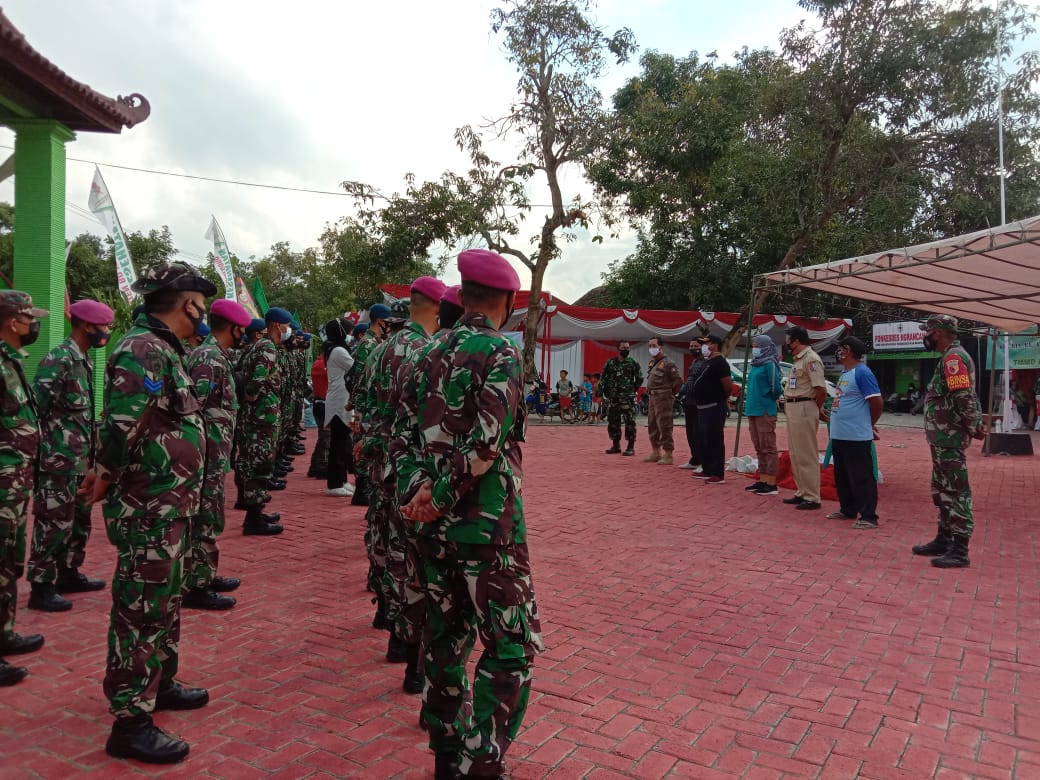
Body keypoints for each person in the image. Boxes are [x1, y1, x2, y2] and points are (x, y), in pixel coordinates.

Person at [402, 249, 543, 780]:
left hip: (430, 526)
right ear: (506, 301)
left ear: (461, 296)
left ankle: (445, 750)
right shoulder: (500, 353)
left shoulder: (427, 352)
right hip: (486, 527)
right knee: (511, 647)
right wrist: (439, 495)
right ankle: (480, 762)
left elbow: (402, 437)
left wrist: (420, 495)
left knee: (445, 634)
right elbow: (487, 445)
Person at [79, 262, 215, 763]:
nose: (203, 310)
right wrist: (106, 472)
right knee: (141, 608)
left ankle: (160, 683)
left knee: (164, 600)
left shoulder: (163, 350)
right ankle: (130, 721)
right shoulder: (142, 349)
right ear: (189, 303)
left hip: (169, 503)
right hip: (149, 506)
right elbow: (121, 425)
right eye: (201, 300)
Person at [372, 275, 445, 695]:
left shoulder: (381, 351)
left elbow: (367, 403)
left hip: (386, 463)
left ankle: (392, 626)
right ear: (436, 308)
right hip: (415, 471)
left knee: (386, 542)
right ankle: (414, 659)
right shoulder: (428, 352)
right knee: (416, 563)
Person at [26, 299, 113, 613]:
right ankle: (41, 586)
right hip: (57, 458)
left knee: (79, 519)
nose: (106, 332)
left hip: (80, 456)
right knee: (52, 521)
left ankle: (69, 572)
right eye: (103, 326)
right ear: (87, 326)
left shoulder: (84, 360)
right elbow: (38, 407)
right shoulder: (59, 358)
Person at [181, 298, 253, 611]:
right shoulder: (208, 358)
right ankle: (196, 585)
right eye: (243, 329)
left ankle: (204, 572)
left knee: (209, 514)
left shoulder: (216, 355)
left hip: (215, 449)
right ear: (235, 329)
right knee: (204, 515)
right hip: (206, 451)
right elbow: (192, 406)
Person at [0, 290, 48, 687]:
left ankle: (4, 632)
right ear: (13, 321)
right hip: (2, 484)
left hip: (14, 485)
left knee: (8, 561)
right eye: (31, 318)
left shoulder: (12, 361)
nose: (36, 325)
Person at [911, 314, 986, 568]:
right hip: (943, 438)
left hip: (950, 437)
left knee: (957, 491)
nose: (926, 336)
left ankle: (960, 549)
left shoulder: (953, 358)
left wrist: (973, 425)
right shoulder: (949, 357)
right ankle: (944, 539)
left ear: (938, 333)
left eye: (928, 331)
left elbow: (963, 395)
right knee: (942, 489)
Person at [234, 308, 291, 536]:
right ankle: (254, 519)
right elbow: (257, 379)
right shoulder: (266, 346)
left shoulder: (259, 346)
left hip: (257, 416)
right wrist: (251, 397)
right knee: (260, 464)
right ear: (277, 325)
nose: (288, 329)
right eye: (287, 325)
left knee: (253, 461)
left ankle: (255, 512)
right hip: (262, 417)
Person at [825, 337, 883, 529]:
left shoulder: (862, 372)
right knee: (842, 475)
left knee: (862, 476)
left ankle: (868, 516)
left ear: (848, 351)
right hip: (840, 435)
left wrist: (868, 424)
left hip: (856, 435)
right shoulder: (845, 373)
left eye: (841, 348)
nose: (838, 352)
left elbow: (876, 402)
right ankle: (848, 509)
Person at [782, 326, 827, 511]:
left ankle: (812, 497)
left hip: (805, 406)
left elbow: (821, 390)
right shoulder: (798, 360)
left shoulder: (811, 359)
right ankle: (802, 491)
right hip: (794, 406)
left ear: (797, 341)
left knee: (806, 453)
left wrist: (815, 408)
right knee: (795, 452)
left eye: (788, 343)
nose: (787, 346)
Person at [690, 335, 734, 485]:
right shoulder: (707, 362)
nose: (702, 346)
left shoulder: (720, 363)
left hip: (714, 407)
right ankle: (707, 468)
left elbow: (728, 386)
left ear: (714, 345)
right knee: (704, 440)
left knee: (715, 440)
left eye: (706, 343)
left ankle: (718, 473)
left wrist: (719, 398)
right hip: (702, 407)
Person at [743, 334, 782, 495]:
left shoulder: (770, 364)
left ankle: (771, 483)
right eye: (752, 346)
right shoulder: (755, 364)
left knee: (768, 446)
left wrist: (767, 399)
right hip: (753, 409)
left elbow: (776, 388)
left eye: (756, 345)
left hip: (765, 409)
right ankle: (763, 479)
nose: (754, 349)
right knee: (759, 447)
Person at [322, 318, 355, 497]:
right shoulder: (339, 351)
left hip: (339, 398)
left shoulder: (335, 349)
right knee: (339, 444)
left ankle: (342, 480)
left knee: (341, 442)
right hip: (339, 400)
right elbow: (356, 368)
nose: (351, 335)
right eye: (349, 332)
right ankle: (334, 483)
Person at [642, 337, 683, 465]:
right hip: (652, 397)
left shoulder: (668, 363)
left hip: (663, 397)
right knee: (652, 424)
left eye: (654, 345)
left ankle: (668, 454)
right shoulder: (652, 363)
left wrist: (671, 395)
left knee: (664, 425)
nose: (651, 348)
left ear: (661, 347)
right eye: (650, 346)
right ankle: (656, 452)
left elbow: (678, 381)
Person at [600, 340, 643, 455]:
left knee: (630, 422)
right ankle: (616, 445)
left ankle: (630, 447)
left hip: (628, 398)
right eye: (624, 347)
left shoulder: (633, 362)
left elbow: (640, 378)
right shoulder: (610, 363)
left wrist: (632, 389)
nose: (626, 350)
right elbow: (603, 377)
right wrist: (601, 392)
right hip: (613, 397)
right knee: (613, 421)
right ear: (618, 349)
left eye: (628, 348)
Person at [678, 338, 707, 471]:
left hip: (700, 402)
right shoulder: (694, 362)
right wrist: (680, 393)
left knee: (699, 432)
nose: (693, 348)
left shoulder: (706, 363)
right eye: (691, 346)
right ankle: (695, 459)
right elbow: (689, 380)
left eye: (696, 346)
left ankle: (703, 460)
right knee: (690, 432)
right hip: (689, 401)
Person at [306, 349, 330, 479]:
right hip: (324, 403)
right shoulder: (323, 365)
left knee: (323, 437)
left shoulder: (318, 363)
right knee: (326, 438)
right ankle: (321, 467)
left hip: (319, 403)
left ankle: (315, 466)